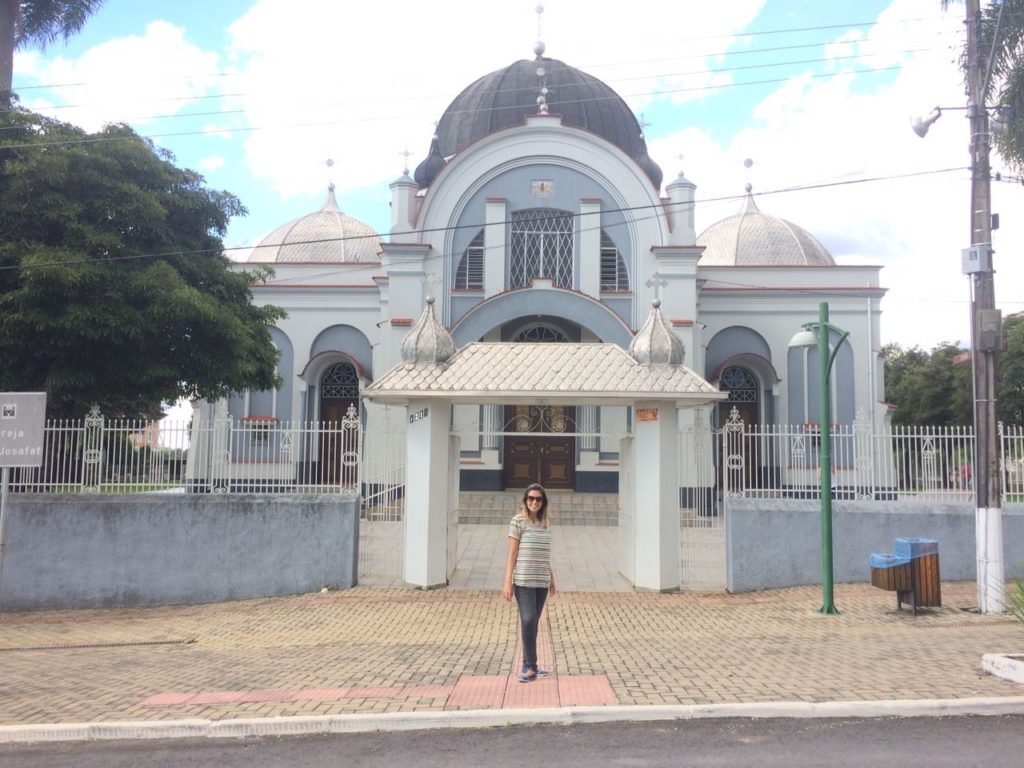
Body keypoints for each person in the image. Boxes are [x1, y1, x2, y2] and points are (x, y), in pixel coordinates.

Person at [502, 483, 556, 683]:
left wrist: (552, 577)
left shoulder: (545, 523)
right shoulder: (518, 522)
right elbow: (512, 554)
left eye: (538, 499)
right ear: (525, 501)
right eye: (530, 498)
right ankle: (529, 666)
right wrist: (508, 582)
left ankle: (531, 664)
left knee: (533, 623)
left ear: (543, 502)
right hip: (523, 581)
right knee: (527, 620)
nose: (534, 502)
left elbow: (543, 554)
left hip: (541, 581)